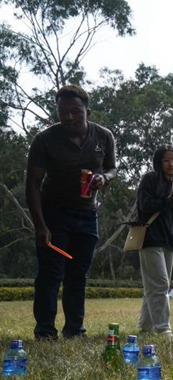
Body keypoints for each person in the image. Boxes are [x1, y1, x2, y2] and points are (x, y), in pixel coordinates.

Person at [25, 85, 117, 340]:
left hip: (87, 214)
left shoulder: (103, 136)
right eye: (62, 111)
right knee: (51, 274)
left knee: (78, 275)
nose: (68, 117)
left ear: (87, 111)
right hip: (54, 213)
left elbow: (112, 168)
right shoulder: (45, 140)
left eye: (75, 111)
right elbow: (32, 184)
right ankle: (45, 331)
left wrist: (103, 178)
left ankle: (74, 330)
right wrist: (40, 225)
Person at [136, 146, 173, 337]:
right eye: (167, 160)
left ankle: (146, 326)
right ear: (159, 162)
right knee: (160, 284)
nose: (171, 164)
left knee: (154, 285)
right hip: (150, 239)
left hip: (169, 241)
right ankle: (163, 328)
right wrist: (172, 200)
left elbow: (168, 215)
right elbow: (145, 205)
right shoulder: (150, 179)